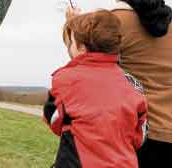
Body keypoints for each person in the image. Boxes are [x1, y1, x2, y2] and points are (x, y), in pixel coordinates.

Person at [111, 0, 172, 167]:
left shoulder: (116, 19)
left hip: (135, 133)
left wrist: (73, 25)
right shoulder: (171, 27)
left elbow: (88, 62)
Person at [44, 10, 148, 168]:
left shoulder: (64, 79)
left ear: (81, 47)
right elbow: (139, 135)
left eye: (71, 42)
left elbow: (54, 119)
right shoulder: (132, 84)